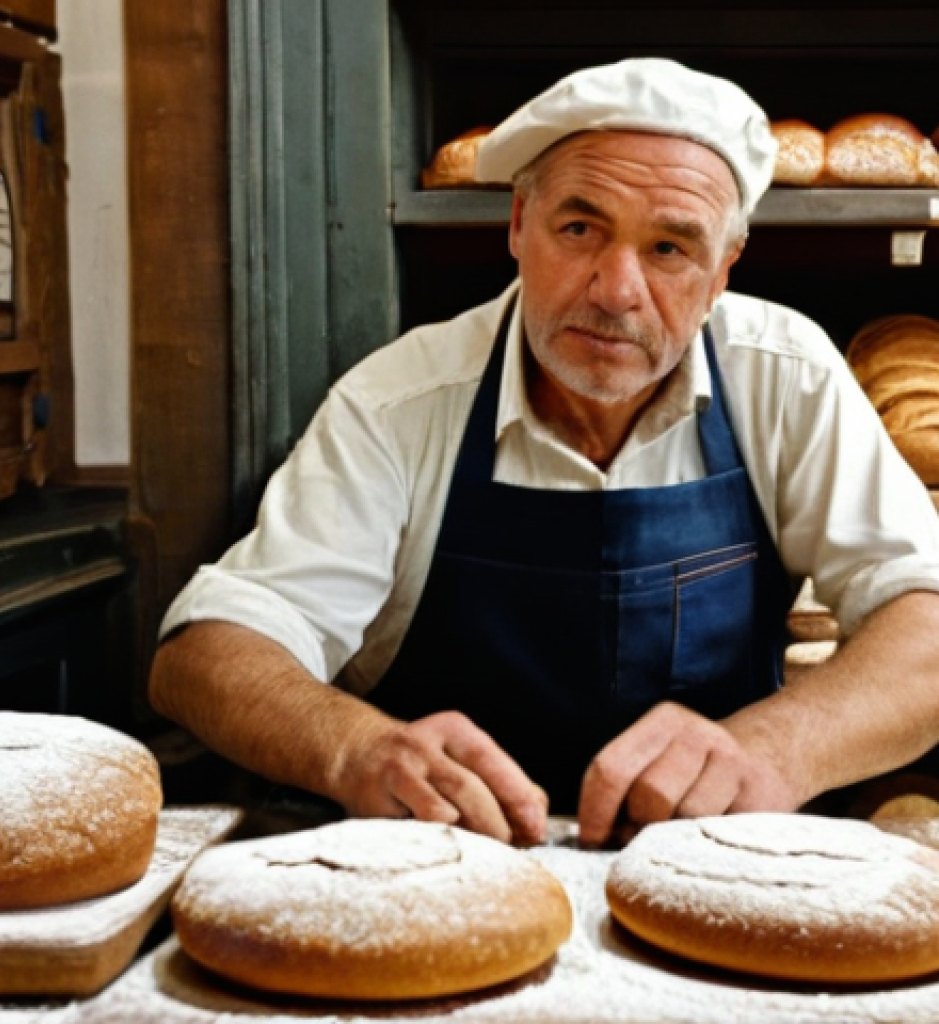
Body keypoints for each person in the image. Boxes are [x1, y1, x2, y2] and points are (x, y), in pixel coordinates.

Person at [150, 58, 939, 848]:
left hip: (712, 858)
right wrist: (354, 747)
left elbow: (927, 622)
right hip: (441, 862)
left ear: (721, 273)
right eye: (579, 229)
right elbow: (207, 653)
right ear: (519, 225)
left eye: (669, 248)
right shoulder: (399, 403)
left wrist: (777, 749)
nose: (616, 290)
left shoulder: (785, 375)